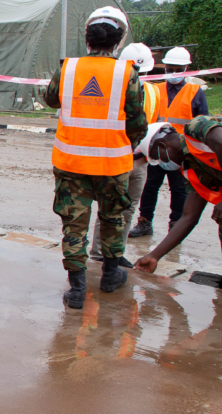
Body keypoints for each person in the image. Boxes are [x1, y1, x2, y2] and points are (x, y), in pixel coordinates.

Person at [43, 7, 147, 309]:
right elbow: (137, 121)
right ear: (117, 42)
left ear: (86, 39)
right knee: (112, 217)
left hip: (70, 163)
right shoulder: (127, 73)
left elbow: (51, 98)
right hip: (112, 164)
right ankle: (111, 276)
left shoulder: (68, 69)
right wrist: (127, 143)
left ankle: (76, 290)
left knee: (74, 224)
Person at [89, 43, 161, 266]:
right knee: (109, 208)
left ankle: (117, 253)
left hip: (140, 160)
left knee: (129, 208)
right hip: (116, 159)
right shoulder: (112, 87)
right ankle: (99, 253)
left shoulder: (153, 91)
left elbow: (154, 124)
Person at [130, 46, 208, 238]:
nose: (173, 73)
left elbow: (202, 122)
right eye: (170, 68)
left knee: (179, 190)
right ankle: (145, 222)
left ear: (186, 69)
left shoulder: (195, 92)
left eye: (177, 69)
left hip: (182, 152)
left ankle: (176, 226)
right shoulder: (156, 89)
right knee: (150, 187)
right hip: (156, 148)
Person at [135, 117, 222, 274]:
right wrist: (154, 256)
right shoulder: (192, 170)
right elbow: (189, 217)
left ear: (163, 146)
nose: (161, 164)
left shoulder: (198, 129)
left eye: (156, 157)